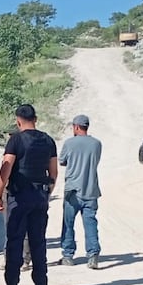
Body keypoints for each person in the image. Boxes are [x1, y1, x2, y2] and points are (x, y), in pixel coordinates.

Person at [0, 104, 57, 285]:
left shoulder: (15, 140)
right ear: (35, 119)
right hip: (40, 196)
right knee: (38, 243)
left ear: (18, 120)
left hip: (19, 197)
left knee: (15, 242)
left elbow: (6, 169)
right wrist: (47, 193)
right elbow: (53, 173)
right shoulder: (48, 140)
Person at [58, 114, 102, 269]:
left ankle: (68, 255)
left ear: (76, 127)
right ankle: (93, 255)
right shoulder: (97, 144)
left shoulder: (69, 143)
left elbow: (62, 161)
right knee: (90, 223)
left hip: (72, 190)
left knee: (68, 223)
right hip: (90, 190)